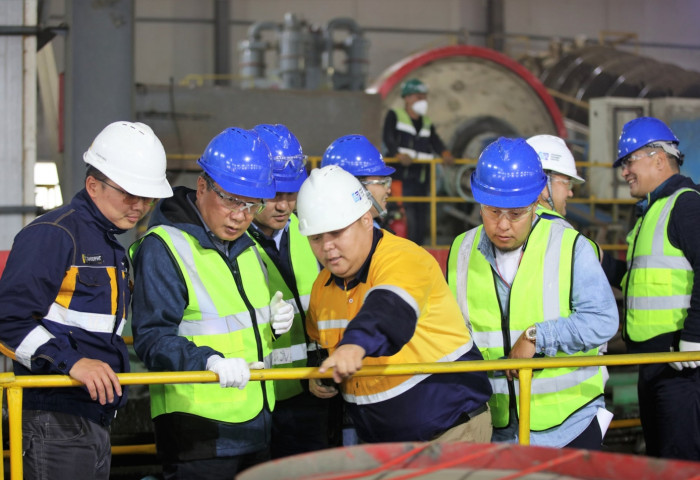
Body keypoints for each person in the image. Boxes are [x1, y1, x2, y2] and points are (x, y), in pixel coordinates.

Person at [0, 121, 173, 480]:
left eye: (147, 196)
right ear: (93, 185)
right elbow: (7, 320)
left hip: (90, 416)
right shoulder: (54, 234)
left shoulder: (109, 244)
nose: (139, 206)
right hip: (55, 416)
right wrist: (73, 362)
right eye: (129, 194)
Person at [129, 127, 295, 479]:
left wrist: (273, 325)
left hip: (257, 420)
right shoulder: (164, 247)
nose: (241, 215)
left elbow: (235, 326)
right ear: (202, 187)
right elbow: (152, 338)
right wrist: (208, 361)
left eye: (252, 204)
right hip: (198, 428)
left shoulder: (246, 245)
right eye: (232, 200)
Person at [297, 164, 493, 444]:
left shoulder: (403, 258)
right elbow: (321, 346)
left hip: (450, 432)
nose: (327, 246)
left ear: (366, 219)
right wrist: (320, 374)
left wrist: (355, 344)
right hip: (384, 444)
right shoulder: (323, 288)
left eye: (337, 232)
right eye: (316, 237)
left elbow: (389, 306)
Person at [446, 137, 617, 449]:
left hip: (568, 424)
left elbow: (603, 320)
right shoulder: (461, 250)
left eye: (516, 214)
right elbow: (455, 331)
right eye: (492, 211)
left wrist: (537, 336)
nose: (502, 225)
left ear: (537, 199)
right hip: (495, 425)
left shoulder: (569, 246)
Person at [612, 116, 700, 460]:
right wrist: (598, 261)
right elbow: (644, 279)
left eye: (628, 161)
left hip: (684, 367)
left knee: (682, 463)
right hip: (658, 364)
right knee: (664, 461)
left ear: (658, 158)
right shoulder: (653, 211)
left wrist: (694, 337)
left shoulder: (686, 205)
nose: (624, 173)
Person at [247, 123, 334, 458]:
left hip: (309, 388)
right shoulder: (231, 241)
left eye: (291, 194)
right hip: (255, 395)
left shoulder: (310, 231)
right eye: (273, 195)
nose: (283, 206)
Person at [382, 78, 454, 245]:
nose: (422, 101)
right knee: (405, 217)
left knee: (421, 218)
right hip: (401, 177)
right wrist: (397, 154)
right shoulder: (395, 116)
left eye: (424, 97)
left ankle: (418, 249)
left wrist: (445, 153)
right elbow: (388, 138)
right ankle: (404, 250)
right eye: (417, 97)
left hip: (421, 178)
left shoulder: (426, 122)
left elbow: (435, 141)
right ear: (407, 98)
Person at [321, 134, 395, 230]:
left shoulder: (374, 230)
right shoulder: (341, 240)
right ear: (355, 186)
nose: (388, 190)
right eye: (382, 182)